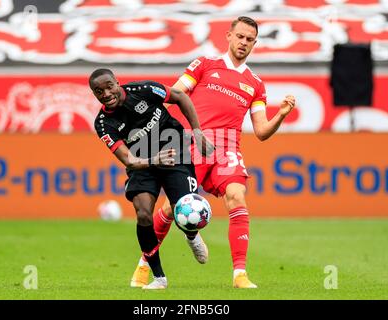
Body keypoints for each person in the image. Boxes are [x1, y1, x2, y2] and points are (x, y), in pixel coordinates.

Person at [131, 16, 296, 288]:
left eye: (249, 39)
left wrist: (280, 114)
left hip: (228, 146)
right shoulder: (205, 64)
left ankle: (239, 275)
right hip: (192, 141)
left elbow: (262, 131)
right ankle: (144, 264)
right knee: (172, 208)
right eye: (240, 36)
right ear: (229, 36)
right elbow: (176, 93)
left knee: (237, 196)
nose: (243, 43)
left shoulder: (255, 84)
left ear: (255, 44)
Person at [90, 68, 215, 289]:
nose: (106, 93)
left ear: (117, 82)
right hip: (143, 163)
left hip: (175, 149)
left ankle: (192, 235)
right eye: (99, 91)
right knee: (144, 213)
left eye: (109, 86)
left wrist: (197, 132)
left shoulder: (144, 89)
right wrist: (154, 159)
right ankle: (159, 278)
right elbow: (128, 160)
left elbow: (180, 96)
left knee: (183, 208)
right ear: (95, 94)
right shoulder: (103, 124)